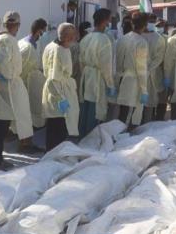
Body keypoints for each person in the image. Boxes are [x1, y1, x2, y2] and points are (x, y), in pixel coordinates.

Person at [0, 11, 32, 171]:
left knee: (2, 125)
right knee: (2, 126)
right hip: (7, 85)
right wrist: (10, 77)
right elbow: (4, 63)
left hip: (4, 83)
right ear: (16, 25)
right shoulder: (7, 40)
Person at [42, 23, 80, 150]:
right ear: (68, 38)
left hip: (54, 90)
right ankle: (55, 154)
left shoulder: (50, 46)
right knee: (59, 126)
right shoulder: (60, 51)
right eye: (73, 36)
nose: (74, 39)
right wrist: (61, 98)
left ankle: (51, 153)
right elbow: (54, 78)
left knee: (53, 125)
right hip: (59, 91)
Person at [79, 8, 115, 136]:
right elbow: (106, 66)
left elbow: (81, 60)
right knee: (95, 109)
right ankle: (91, 137)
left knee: (85, 106)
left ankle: (82, 135)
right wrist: (110, 84)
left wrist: (84, 74)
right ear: (104, 21)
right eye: (109, 20)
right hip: (97, 77)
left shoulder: (86, 38)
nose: (109, 22)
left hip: (86, 75)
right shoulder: (104, 40)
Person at [18, 18, 48, 153]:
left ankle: (28, 142)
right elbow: (22, 67)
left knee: (29, 115)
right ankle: (24, 144)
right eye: (43, 31)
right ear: (39, 30)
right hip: (25, 84)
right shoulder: (27, 46)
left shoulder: (28, 43)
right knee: (25, 115)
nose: (43, 34)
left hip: (30, 83)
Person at [116, 13, 149, 129]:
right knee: (130, 113)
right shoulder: (141, 42)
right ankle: (123, 135)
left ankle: (118, 134)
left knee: (122, 112)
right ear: (145, 25)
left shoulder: (123, 39)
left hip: (122, 78)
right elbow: (141, 68)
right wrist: (144, 90)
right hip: (134, 81)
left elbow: (118, 61)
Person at [142, 13, 166, 123]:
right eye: (149, 21)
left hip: (152, 73)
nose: (151, 24)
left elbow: (159, 57)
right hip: (138, 73)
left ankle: (147, 123)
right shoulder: (139, 36)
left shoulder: (159, 38)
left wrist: (148, 68)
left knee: (150, 101)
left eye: (153, 21)